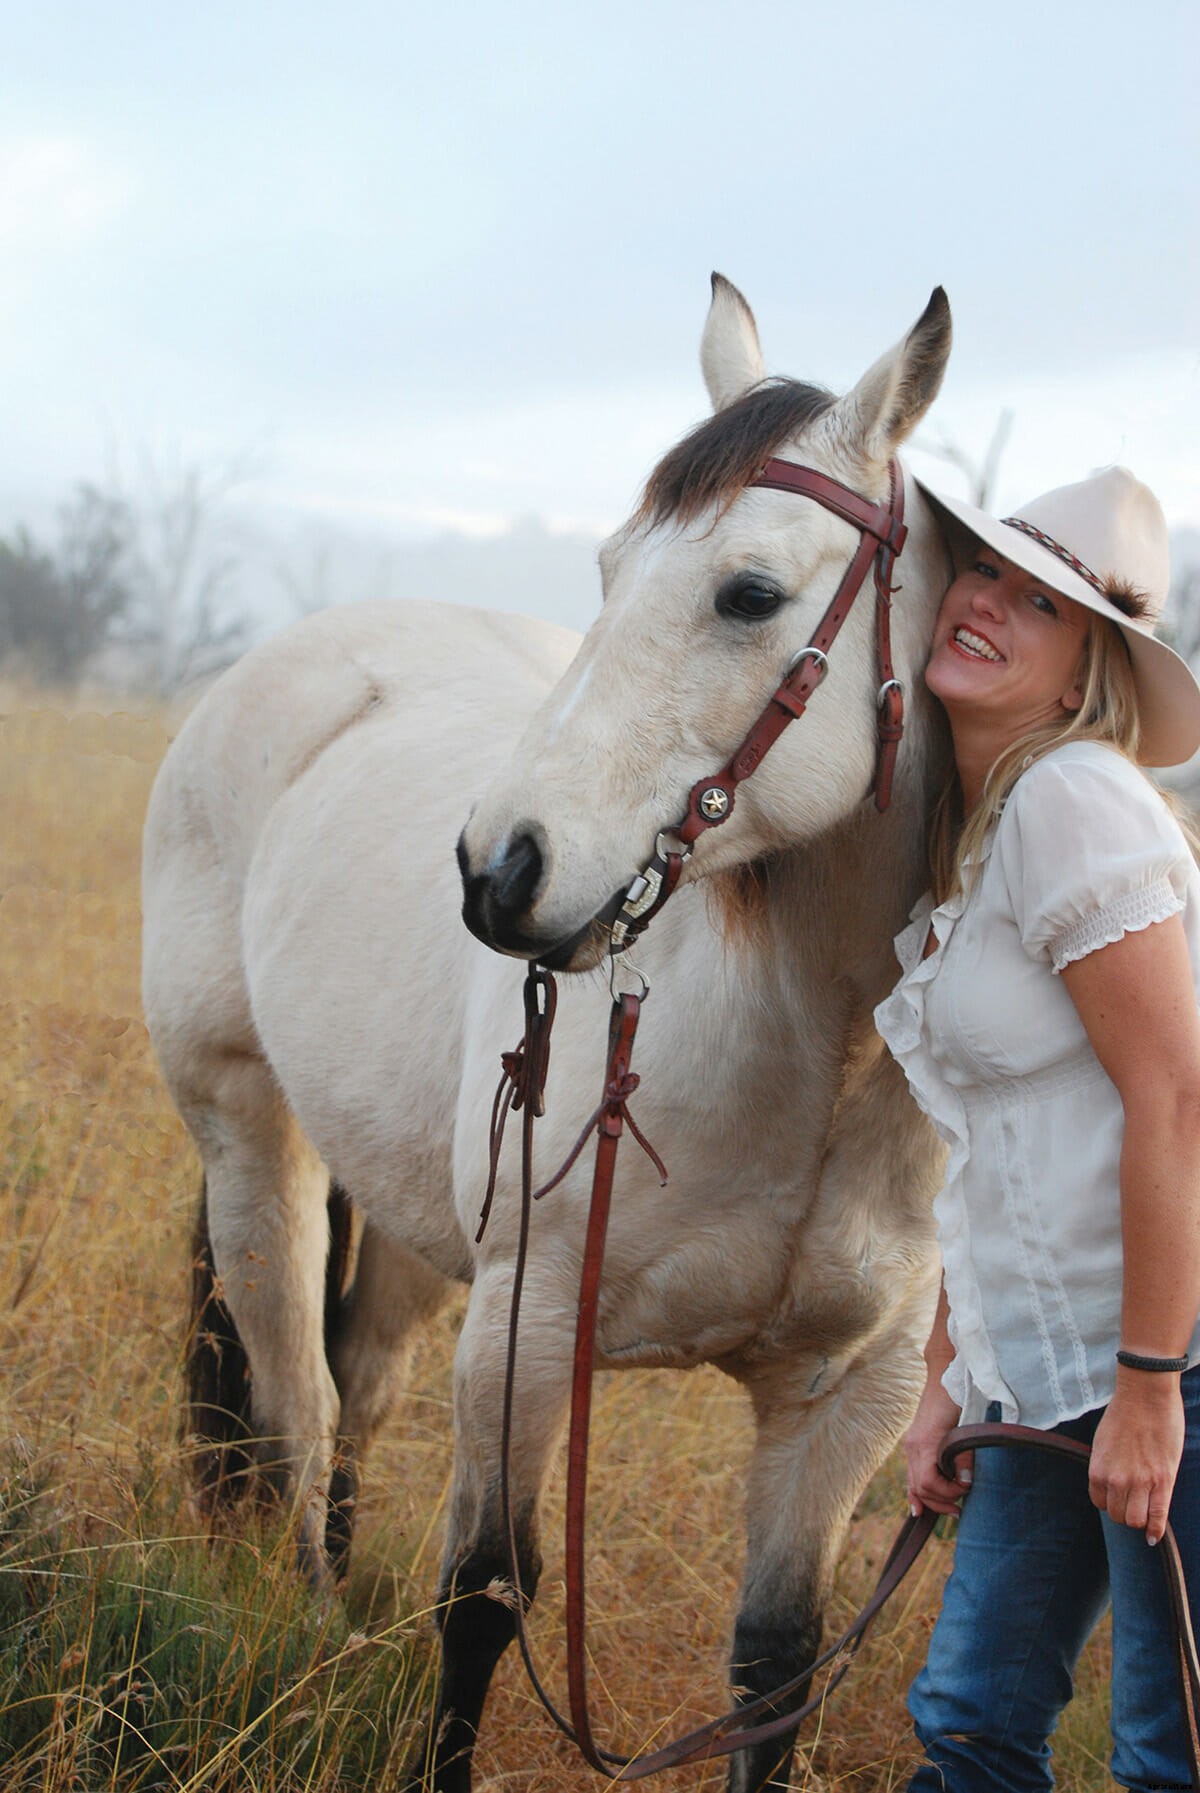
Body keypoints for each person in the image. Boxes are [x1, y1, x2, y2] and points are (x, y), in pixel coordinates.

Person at [873, 466, 1200, 1792]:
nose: (989, 605)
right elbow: (998, 1141)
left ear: (1086, 674)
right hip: (1049, 1366)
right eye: (986, 573)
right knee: (969, 1725)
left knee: (1169, 1748)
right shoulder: (987, 826)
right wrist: (954, 1369)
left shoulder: (1074, 799)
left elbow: (1176, 1094)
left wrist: (1148, 1386)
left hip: (1156, 1357)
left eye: (1041, 603)